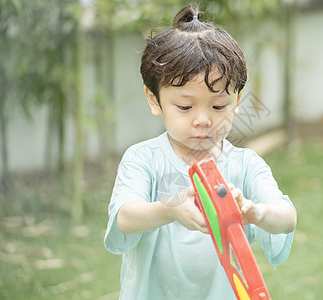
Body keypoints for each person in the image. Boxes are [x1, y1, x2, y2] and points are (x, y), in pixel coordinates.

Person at [104, 5, 297, 300]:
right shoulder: (144, 160)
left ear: (237, 101)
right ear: (154, 100)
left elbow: (286, 217)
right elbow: (125, 218)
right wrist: (170, 210)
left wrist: (255, 212)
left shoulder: (245, 165)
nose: (203, 119)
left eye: (218, 106)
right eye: (185, 106)